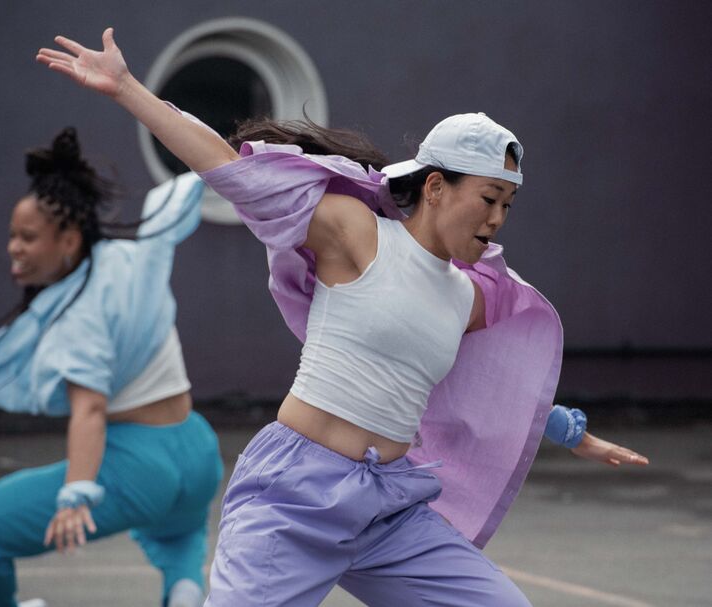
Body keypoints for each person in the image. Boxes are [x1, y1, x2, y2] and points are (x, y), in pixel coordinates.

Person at [36, 28, 648, 606]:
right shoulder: (358, 234)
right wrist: (127, 89)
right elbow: (228, 168)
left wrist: (572, 433)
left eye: (507, 206)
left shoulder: (468, 298)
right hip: (295, 495)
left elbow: (497, 385)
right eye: (487, 199)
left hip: (389, 510)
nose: (496, 220)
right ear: (435, 187)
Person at [0, 127, 222, 607]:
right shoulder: (131, 256)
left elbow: (90, 409)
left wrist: (77, 490)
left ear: (70, 239)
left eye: (28, 237)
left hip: (139, 466)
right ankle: (184, 589)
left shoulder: (76, 317)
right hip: (198, 453)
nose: (14, 247)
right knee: (177, 538)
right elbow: (179, 193)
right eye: (12, 235)